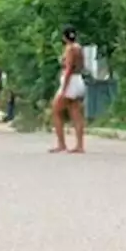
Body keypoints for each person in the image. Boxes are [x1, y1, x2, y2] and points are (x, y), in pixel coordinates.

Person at [50, 25, 87, 154]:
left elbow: (69, 68)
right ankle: (80, 145)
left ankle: (61, 144)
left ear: (64, 37)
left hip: (70, 82)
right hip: (79, 80)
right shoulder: (79, 48)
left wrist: (64, 88)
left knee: (56, 110)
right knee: (76, 114)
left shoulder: (69, 49)